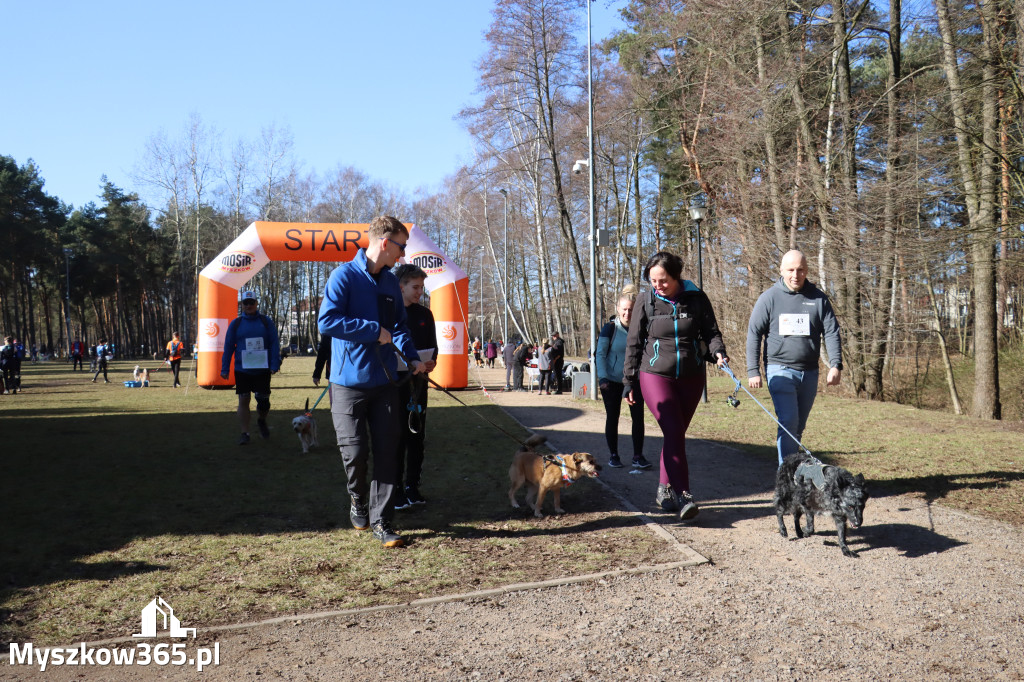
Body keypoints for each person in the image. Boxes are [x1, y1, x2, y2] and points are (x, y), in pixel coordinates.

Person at [318, 216, 427, 549]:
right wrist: (370, 330)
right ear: (384, 243)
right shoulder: (344, 276)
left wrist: (412, 357)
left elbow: (400, 329)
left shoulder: (392, 284)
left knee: (388, 452)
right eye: (401, 246)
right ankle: (357, 499)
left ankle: (383, 520)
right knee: (355, 453)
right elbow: (327, 321)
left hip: (386, 383)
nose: (403, 255)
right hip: (348, 384)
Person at [623, 251, 729, 522]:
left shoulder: (696, 298)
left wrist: (718, 352)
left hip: (692, 376)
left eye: (663, 280)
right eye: (653, 280)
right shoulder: (646, 301)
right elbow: (634, 343)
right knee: (672, 429)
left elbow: (711, 332)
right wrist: (629, 381)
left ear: (676, 277)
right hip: (655, 374)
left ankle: (664, 488)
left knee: (676, 434)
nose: (657, 285)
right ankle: (684, 495)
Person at [746, 249, 842, 465]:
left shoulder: (818, 299)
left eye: (800, 270)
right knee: (789, 420)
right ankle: (786, 477)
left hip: (809, 372)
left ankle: (792, 469)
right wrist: (753, 370)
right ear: (781, 270)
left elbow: (831, 332)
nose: (795, 275)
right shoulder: (769, 298)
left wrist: (835, 365)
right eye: (790, 270)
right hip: (779, 369)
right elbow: (754, 333)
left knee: (798, 426)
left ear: (807, 271)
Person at [391, 263, 438, 510]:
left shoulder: (424, 314)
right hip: (394, 385)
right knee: (396, 438)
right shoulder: (387, 313)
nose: (420, 291)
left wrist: (431, 362)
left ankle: (412, 486)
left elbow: (433, 347)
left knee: (416, 437)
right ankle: (395, 489)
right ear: (401, 286)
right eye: (415, 287)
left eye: (422, 287)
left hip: (419, 385)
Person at [597, 285, 651, 470]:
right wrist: (602, 378)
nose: (627, 313)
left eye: (631, 309)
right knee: (613, 417)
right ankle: (614, 455)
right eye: (624, 309)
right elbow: (600, 355)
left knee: (638, 418)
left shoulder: (642, 329)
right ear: (618, 310)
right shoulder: (609, 329)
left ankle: (638, 456)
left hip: (635, 381)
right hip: (611, 381)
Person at [220, 291, 281, 445]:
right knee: (243, 399)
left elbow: (274, 343)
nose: (248, 306)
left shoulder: (266, 322)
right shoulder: (236, 324)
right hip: (242, 370)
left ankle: (261, 420)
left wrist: (275, 364)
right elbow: (228, 347)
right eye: (245, 303)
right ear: (242, 305)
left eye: (251, 303)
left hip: (263, 369)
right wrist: (225, 368)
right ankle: (245, 433)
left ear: (256, 304)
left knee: (263, 402)